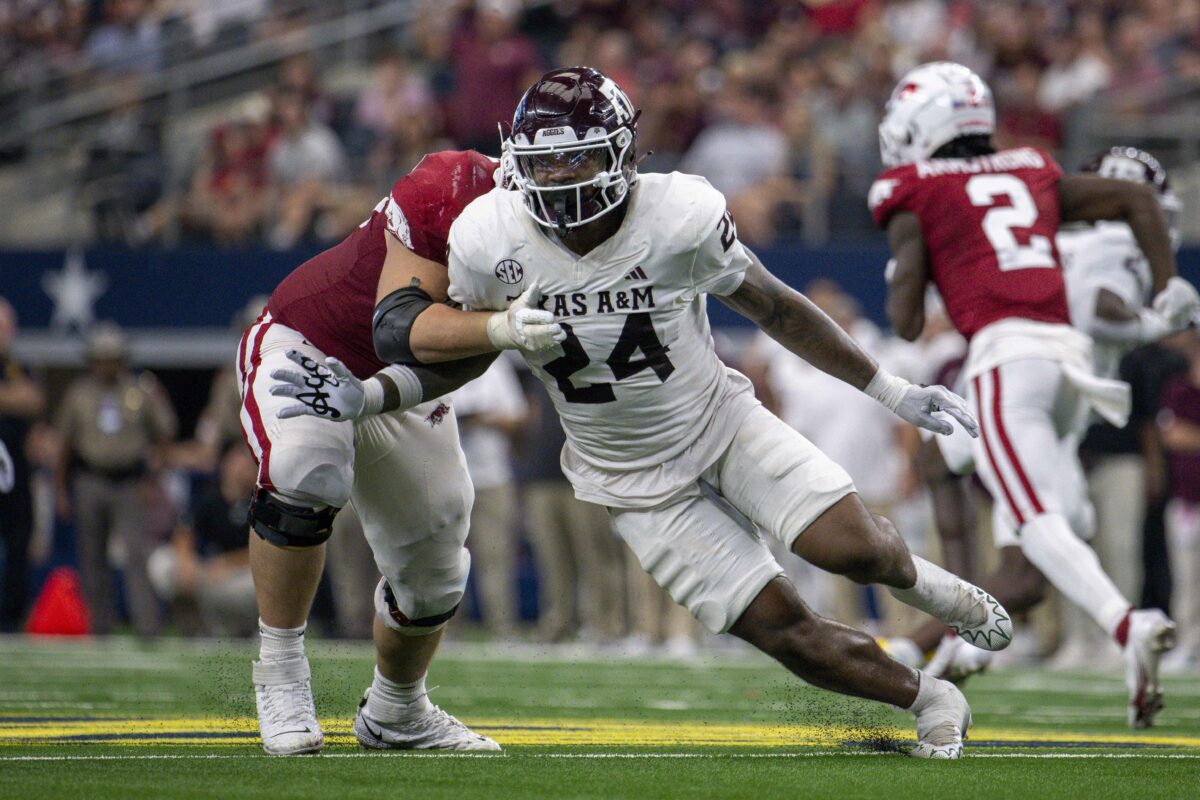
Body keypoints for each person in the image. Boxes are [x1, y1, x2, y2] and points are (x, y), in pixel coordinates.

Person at [276, 67, 1015, 760]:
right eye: (546, 163)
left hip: (721, 425)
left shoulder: (679, 214)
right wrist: (377, 395)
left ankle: (946, 594)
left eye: (578, 161)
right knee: (784, 631)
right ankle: (932, 696)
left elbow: (775, 307)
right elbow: (469, 353)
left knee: (856, 550)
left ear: (624, 153)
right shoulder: (485, 237)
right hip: (629, 479)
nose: (560, 181)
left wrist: (888, 388)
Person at [872, 62, 1195, 728]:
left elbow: (904, 322)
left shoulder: (915, 190)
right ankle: (962, 638)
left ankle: (1124, 623)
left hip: (1004, 359)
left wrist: (911, 264)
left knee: (1037, 522)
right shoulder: (1031, 167)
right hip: (1067, 364)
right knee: (1059, 516)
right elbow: (1133, 204)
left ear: (918, 127)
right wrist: (1167, 288)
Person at [239, 149, 560, 755]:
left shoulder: (585, 240)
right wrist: (501, 327)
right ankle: (280, 673)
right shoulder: (455, 183)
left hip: (394, 383)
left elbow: (463, 360)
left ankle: (397, 710)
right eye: (557, 161)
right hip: (308, 346)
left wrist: (370, 396)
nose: (569, 178)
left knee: (439, 564)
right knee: (308, 467)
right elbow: (396, 324)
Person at [55, 322, 177, 637]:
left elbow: (164, 433)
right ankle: (100, 627)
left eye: (113, 357)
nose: (107, 363)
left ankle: (147, 627)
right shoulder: (79, 394)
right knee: (92, 555)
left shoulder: (139, 391)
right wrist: (60, 488)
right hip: (89, 479)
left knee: (138, 554)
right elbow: (64, 444)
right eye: (101, 357)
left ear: (122, 359)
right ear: (93, 360)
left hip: (129, 481)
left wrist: (154, 479)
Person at [148, 442, 258, 636]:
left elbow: (267, 551)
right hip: (206, 571)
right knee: (162, 562)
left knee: (263, 583)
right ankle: (196, 627)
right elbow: (184, 532)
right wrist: (186, 561)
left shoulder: (261, 502)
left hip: (239, 574)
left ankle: (251, 629)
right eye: (235, 461)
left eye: (247, 464)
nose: (239, 469)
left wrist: (227, 563)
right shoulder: (208, 495)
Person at [0, 298, 45, 631]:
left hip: (15, 466)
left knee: (19, 540)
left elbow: (34, 399)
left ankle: (13, 618)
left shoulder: (16, 365)